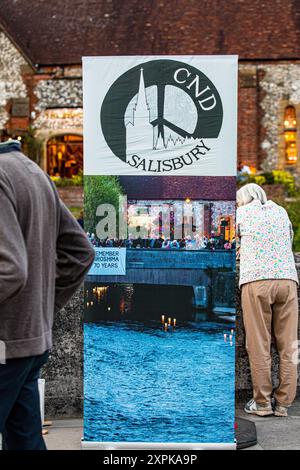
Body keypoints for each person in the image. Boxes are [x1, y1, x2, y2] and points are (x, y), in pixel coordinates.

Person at [0, 141, 95, 450]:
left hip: (6, 344)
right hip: (30, 342)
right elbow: (81, 252)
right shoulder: (33, 171)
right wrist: (44, 308)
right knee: (25, 441)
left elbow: (10, 269)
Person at [237, 183, 299, 417]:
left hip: (256, 280)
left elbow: (235, 246)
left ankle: (262, 403)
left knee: (259, 344)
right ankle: (284, 403)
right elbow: (289, 241)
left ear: (243, 200)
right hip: (287, 280)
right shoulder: (281, 211)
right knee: (290, 344)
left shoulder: (241, 213)